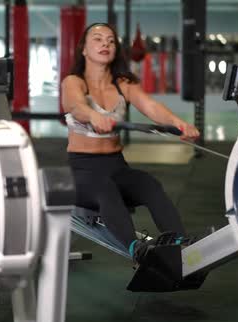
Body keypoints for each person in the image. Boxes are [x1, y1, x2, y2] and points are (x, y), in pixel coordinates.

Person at [61, 23, 200, 264]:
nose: (105, 43)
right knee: (104, 188)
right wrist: (94, 116)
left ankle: (181, 244)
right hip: (82, 172)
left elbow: (152, 107)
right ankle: (136, 250)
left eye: (111, 40)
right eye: (97, 39)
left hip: (116, 167)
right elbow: (76, 106)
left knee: (149, 184)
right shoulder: (73, 81)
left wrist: (180, 124)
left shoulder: (123, 83)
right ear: (83, 48)